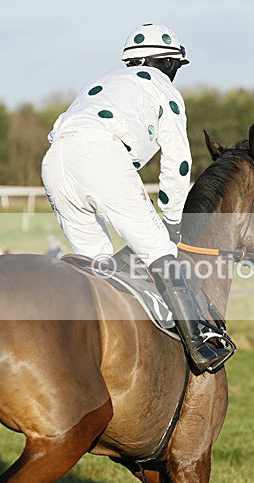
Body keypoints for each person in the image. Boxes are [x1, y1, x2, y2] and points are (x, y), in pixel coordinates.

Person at [41, 23, 232, 373]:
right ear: (168, 63)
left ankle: (85, 355)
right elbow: (179, 163)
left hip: (54, 159)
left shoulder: (102, 81)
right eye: (176, 66)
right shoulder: (164, 89)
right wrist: (173, 220)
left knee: (97, 265)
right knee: (159, 248)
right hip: (101, 156)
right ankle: (199, 344)